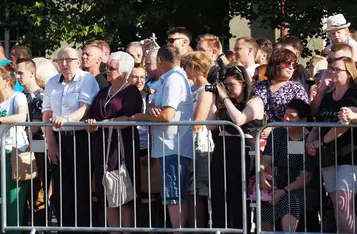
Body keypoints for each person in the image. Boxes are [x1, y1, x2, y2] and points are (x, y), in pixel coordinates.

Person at [131, 45, 193, 232]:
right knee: (173, 195)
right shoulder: (171, 79)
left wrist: (140, 117)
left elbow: (167, 115)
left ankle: (178, 230)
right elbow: (156, 107)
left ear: (160, 60)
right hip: (169, 145)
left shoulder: (173, 79)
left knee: (174, 195)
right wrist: (150, 109)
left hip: (173, 145)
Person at [42, 47, 99, 233]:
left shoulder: (86, 79)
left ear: (78, 61)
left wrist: (65, 119)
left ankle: (81, 229)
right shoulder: (52, 82)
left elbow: (84, 109)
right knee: (60, 188)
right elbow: (47, 114)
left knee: (81, 188)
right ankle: (63, 228)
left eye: (69, 60)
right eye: (61, 60)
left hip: (81, 138)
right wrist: (50, 143)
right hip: (59, 139)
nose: (65, 64)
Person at [87, 51, 142, 233]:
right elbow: (93, 117)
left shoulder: (131, 91)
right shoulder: (103, 92)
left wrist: (103, 124)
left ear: (124, 73)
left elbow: (128, 119)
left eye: (112, 68)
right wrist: (92, 125)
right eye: (107, 67)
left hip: (121, 148)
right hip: (101, 148)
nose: (107, 71)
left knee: (124, 194)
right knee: (108, 193)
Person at [306, 56, 357, 233]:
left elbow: (344, 125)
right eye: (331, 69)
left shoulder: (354, 93)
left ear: (349, 74)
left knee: (344, 205)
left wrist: (321, 141)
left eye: (337, 70)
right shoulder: (328, 96)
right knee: (337, 205)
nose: (333, 72)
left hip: (348, 154)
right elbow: (317, 120)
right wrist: (310, 141)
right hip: (327, 155)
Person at [211, 63, 264, 229]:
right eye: (226, 86)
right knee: (219, 193)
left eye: (232, 85)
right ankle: (221, 228)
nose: (229, 89)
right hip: (222, 147)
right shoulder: (227, 102)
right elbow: (210, 124)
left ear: (243, 83)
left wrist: (225, 98)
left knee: (239, 194)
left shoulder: (255, 101)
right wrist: (215, 99)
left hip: (243, 149)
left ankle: (244, 229)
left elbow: (239, 119)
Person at [260, 99, 319, 232]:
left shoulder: (309, 140)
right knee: (265, 201)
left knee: (289, 200)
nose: (285, 119)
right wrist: (262, 172)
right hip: (279, 185)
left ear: (303, 120)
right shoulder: (277, 134)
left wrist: (283, 191)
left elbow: (306, 177)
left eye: (291, 117)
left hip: (305, 189)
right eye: (285, 115)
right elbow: (266, 159)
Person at [181, 51, 217, 228]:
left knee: (199, 190)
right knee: (189, 190)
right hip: (186, 142)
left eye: (186, 66)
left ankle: (200, 229)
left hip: (200, 142)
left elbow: (198, 121)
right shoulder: (189, 89)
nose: (184, 70)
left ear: (194, 67)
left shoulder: (206, 90)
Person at [16, 58, 46, 227]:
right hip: (22, 147)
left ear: (32, 73)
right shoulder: (20, 96)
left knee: (37, 187)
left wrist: (17, 136)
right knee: (24, 188)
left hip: (37, 146)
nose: (18, 76)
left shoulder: (41, 95)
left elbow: (35, 125)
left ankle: (40, 226)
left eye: (21, 73)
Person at [0, 63, 29, 234]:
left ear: (6, 81)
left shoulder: (18, 97)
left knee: (13, 200)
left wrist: (1, 120)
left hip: (13, 153)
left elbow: (22, 115)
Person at [310, 43, 353, 116]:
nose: (332, 64)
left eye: (337, 60)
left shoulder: (354, 85)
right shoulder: (324, 76)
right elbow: (312, 112)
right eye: (329, 60)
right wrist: (321, 91)